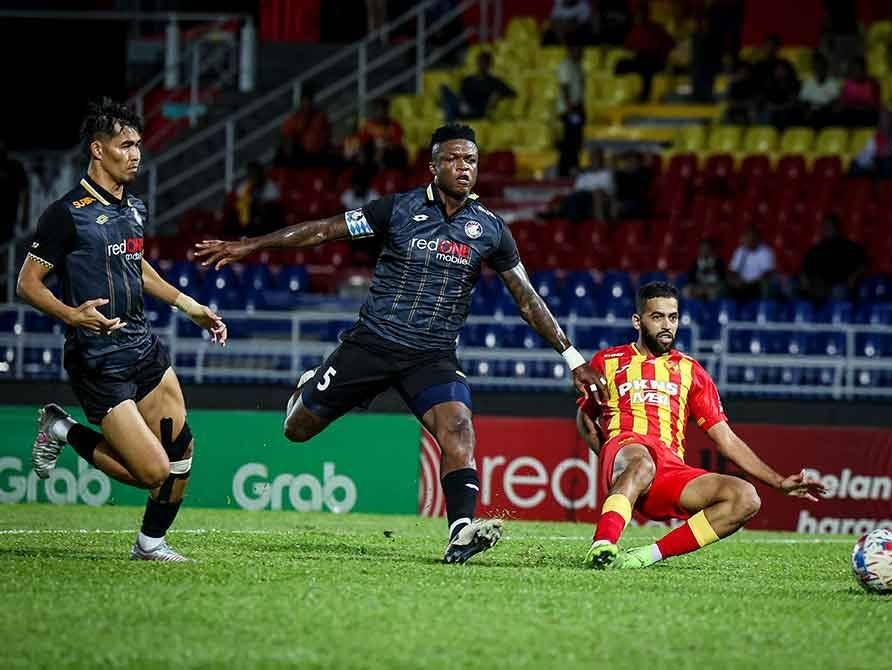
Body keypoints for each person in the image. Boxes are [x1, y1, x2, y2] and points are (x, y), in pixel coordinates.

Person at [194, 123, 609, 564]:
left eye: (470, 160)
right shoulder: (396, 209)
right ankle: (308, 386)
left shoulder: (489, 229)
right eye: (453, 159)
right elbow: (325, 230)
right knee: (297, 430)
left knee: (459, 431)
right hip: (372, 343)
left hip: (431, 355)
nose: (463, 167)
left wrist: (572, 357)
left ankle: (460, 532)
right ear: (433, 166)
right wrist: (251, 245)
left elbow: (526, 299)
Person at [17, 98, 228, 562]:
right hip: (98, 359)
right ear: (98, 149)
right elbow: (27, 283)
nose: (136, 155)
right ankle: (60, 427)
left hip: (143, 347)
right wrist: (72, 315)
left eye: (138, 145)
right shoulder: (65, 213)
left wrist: (189, 306)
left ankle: (150, 544)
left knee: (181, 452)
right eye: (126, 145)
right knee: (153, 473)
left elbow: (137, 267)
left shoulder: (133, 208)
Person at [577, 282, 826, 569]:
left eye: (673, 317)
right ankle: (602, 544)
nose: (667, 325)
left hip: (669, 468)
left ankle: (643, 557)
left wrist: (778, 482)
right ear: (637, 321)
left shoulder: (691, 371)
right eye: (657, 317)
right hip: (628, 448)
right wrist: (610, 455)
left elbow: (726, 439)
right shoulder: (607, 361)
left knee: (745, 498)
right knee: (640, 463)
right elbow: (585, 417)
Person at [614, 0, 675, 102]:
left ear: (647, 14)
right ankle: (621, 93)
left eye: (641, 14)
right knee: (620, 64)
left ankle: (644, 96)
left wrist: (661, 53)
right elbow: (628, 48)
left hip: (656, 62)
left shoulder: (656, 28)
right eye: (637, 15)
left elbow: (670, 44)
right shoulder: (635, 30)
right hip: (639, 60)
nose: (639, 17)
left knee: (646, 65)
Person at [801, 214, 867, 303]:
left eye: (829, 226)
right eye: (825, 227)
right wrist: (805, 279)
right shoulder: (816, 249)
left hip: (842, 286)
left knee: (837, 291)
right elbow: (805, 268)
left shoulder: (849, 247)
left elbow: (863, 265)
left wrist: (853, 278)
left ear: (837, 228)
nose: (827, 229)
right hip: (820, 287)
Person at [441, 52, 516, 122]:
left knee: (453, 104)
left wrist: (497, 96)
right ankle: (450, 120)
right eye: (481, 62)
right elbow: (461, 94)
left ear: (490, 64)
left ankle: (450, 122)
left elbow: (512, 93)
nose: (482, 65)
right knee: (445, 89)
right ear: (477, 63)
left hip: (477, 111)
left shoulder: (494, 81)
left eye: (485, 63)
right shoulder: (468, 79)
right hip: (463, 107)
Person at [224, 160, 283, 238]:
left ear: (260, 173)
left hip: (265, 218)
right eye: (250, 173)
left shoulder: (270, 186)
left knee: (267, 211)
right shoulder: (245, 186)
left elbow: (272, 205)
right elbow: (238, 201)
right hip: (248, 217)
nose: (253, 175)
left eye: (254, 173)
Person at [278, 87, 331, 166]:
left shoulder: (320, 117)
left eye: (309, 100)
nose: (307, 103)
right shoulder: (292, 121)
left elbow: (327, 135)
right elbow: (285, 140)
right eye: (304, 100)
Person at [557, 41, 586, 176]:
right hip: (570, 109)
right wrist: (570, 109)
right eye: (577, 48)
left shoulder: (578, 66)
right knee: (570, 141)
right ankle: (565, 171)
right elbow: (564, 87)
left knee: (576, 141)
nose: (580, 52)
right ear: (569, 50)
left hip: (577, 108)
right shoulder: (566, 66)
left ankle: (572, 167)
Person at [727, 226, 776, 301]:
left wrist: (752, 282)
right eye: (747, 238)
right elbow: (733, 270)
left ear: (757, 239)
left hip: (757, 283)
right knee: (727, 284)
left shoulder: (765, 251)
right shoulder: (740, 251)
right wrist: (735, 280)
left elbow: (768, 273)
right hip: (742, 283)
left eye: (751, 238)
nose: (748, 240)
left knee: (764, 285)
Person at [799, 52, 840, 128]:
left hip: (827, 111)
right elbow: (803, 101)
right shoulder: (808, 82)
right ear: (814, 69)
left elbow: (835, 101)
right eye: (817, 67)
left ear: (826, 68)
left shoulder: (832, 82)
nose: (819, 69)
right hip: (812, 111)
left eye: (821, 67)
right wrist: (807, 111)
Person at [0, 137, 29, 244]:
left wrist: (25, 217)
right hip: (9, 218)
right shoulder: (15, 166)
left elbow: (24, 192)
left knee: (6, 244)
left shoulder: (14, 166)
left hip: (9, 218)